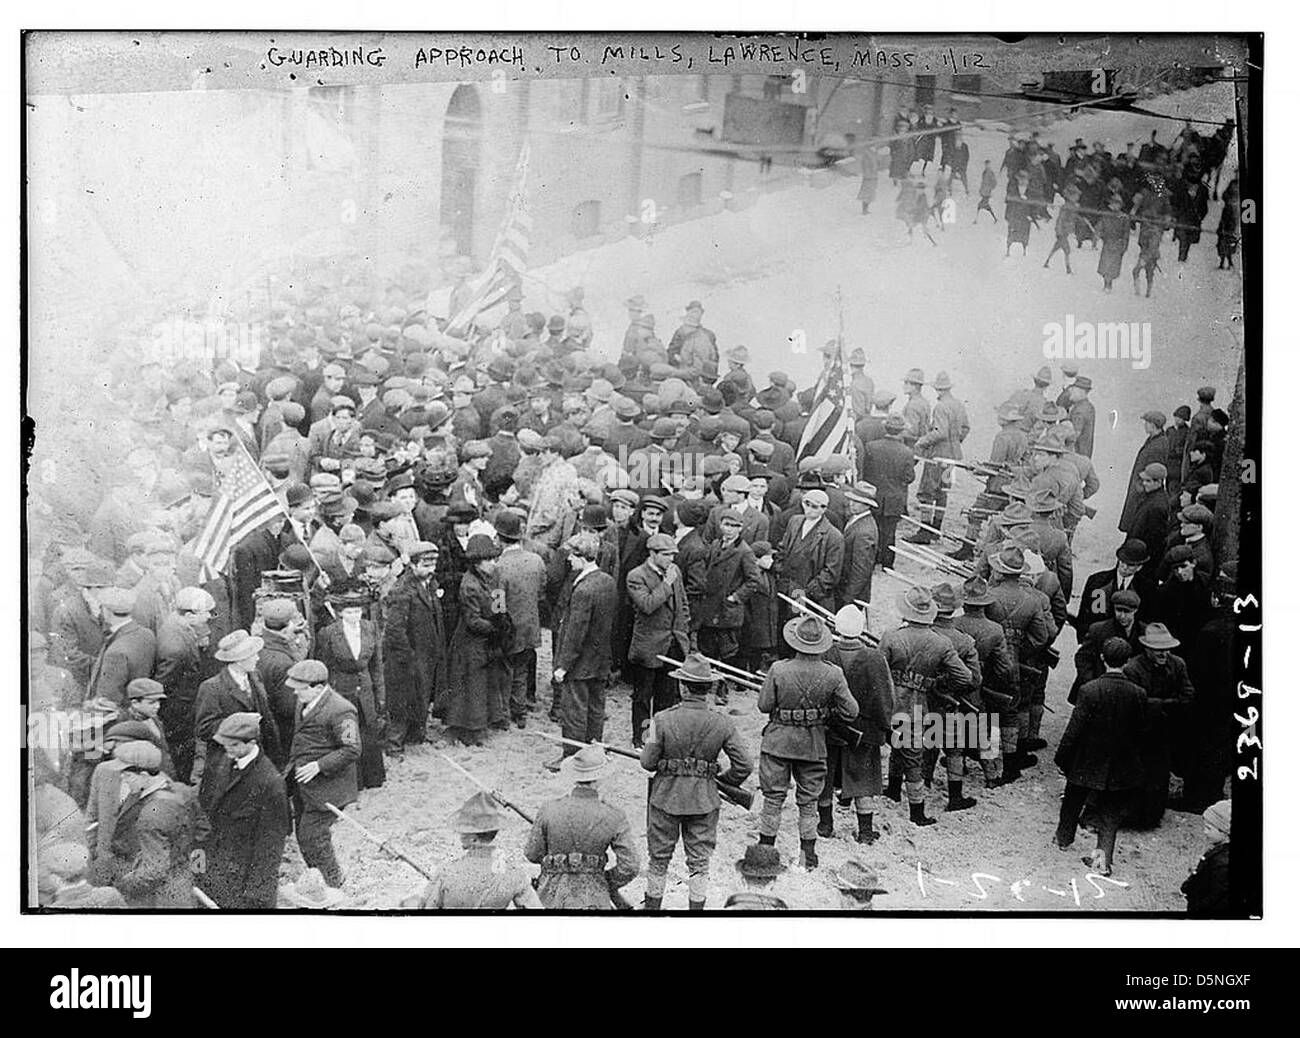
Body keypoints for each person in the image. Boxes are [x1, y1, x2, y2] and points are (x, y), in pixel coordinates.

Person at [639, 654, 753, 910]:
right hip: (704, 799)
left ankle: (651, 912)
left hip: (665, 797)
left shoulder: (659, 719)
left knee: (658, 861)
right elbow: (745, 763)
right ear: (709, 687)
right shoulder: (722, 721)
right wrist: (721, 780)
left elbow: (646, 762)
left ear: (682, 686)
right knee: (700, 863)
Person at [755, 615, 858, 867]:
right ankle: (807, 855)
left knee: (773, 798)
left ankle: (766, 851)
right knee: (809, 801)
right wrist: (826, 712)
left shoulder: (778, 669)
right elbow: (852, 711)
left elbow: (763, 705)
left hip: (778, 742)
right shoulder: (833, 674)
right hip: (812, 744)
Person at [1054, 637, 1147, 877]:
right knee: (1109, 814)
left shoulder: (1089, 690)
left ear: (1102, 659)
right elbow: (1140, 732)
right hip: (1119, 763)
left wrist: (1062, 758)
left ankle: (1063, 839)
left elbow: (1074, 730)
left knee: (1072, 801)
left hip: (1086, 761)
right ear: (1127, 662)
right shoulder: (1138, 693)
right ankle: (1102, 860)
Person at [523, 745, 640, 910]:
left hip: (550, 897)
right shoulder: (615, 815)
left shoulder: (549, 809)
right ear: (600, 779)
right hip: (594, 898)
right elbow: (630, 866)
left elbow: (532, 854)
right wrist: (604, 880)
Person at [197, 711, 291, 910]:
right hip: (216, 868)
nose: (226, 749)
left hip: (245, 881)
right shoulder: (226, 760)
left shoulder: (270, 783)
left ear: (251, 743)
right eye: (224, 744)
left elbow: (271, 844)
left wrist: (257, 894)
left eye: (233, 745)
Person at [818, 605, 894, 843]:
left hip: (830, 727)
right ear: (861, 629)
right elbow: (884, 697)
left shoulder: (826, 654)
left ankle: (825, 825)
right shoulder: (874, 657)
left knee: (826, 778)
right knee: (863, 780)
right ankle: (865, 831)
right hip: (864, 729)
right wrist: (884, 727)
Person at [284, 658, 361, 889]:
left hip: (329, 787)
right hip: (305, 784)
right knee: (305, 836)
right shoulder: (305, 702)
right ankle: (318, 880)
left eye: (300, 690)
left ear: (318, 687)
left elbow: (352, 748)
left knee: (313, 836)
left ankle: (333, 882)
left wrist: (319, 765)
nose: (296, 694)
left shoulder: (343, 711)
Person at [401, 792, 543, 910]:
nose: (460, 835)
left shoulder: (446, 871)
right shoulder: (514, 873)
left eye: (464, 832)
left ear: (474, 839)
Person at [548, 531, 617, 770]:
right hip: (600, 659)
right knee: (596, 707)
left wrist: (562, 666)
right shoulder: (607, 581)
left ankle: (572, 756)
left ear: (581, 556)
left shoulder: (583, 590)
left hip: (579, 662)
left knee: (574, 710)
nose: (568, 560)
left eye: (572, 556)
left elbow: (575, 633)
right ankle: (593, 750)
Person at [106, 741, 202, 909]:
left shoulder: (152, 813)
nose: (123, 779)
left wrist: (123, 885)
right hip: (181, 886)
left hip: (156, 900)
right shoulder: (182, 791)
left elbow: (153, 872)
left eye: (127, 775)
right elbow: (202, 831)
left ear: (144, 775)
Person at [1123, 623, 1195, 828]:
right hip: (1140, 732)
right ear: (1146, 648)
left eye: (1167, 648)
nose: (1164, 653)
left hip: (1165, 731)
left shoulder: (1178, 664)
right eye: (1158, 649)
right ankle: (1134, 817)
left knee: (1160, 774)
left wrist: (1156, 704)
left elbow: (1189, 696)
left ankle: (1153, 817)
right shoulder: (1133, 668)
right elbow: (1136, 703)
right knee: (1137, 774)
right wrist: (1170, 703)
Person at [443, 534, 512, 745]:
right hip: (470, 642)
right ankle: (472, 729)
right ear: (477, 562)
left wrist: (502, 621)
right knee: (473, 685)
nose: (493, 563)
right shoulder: (469, 585)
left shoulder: (495, 576)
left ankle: (490, 720)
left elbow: (499, 601)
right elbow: (472, 621)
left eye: (494, 559)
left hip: (489, 638)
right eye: (488, 560)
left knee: (490, 681)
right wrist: (494, 628)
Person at [316, 590, 387, 790]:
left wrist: (380, 695)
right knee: (348, 734)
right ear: (340, 613)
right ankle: (353, 782)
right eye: (349, 613)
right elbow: (325, 667)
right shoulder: (328, 633)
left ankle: (373, 778)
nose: (354, 616)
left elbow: (377, 666)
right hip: (342, 689)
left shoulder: (370, 628)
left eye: (357, 612)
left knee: (369, 731)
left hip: (365, 689)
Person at [625, 532, 691, 747]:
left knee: (668, 697)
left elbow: (682, 604)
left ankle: (660, 739)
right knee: (643, 697)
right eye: (666, 555)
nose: (671, 559)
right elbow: (647, 605)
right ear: (652, 554)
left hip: (673, 644)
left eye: (673, 555)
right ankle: (643, 739)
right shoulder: (636, 576)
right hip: (648, 647)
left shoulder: (674, 572)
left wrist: (683, 632)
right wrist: (666, 584)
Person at [193, 629, 283, 783]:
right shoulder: (212, 687)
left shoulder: (255, 676)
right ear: (240, 660)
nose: (257, 658)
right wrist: (240, 721)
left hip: (257, 756)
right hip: (229, 762)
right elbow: (204, 728)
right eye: (252, 655)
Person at [382, 541, 446, 754]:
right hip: (406, 657)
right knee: (401, 700)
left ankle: (416, 736)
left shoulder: (429, 584)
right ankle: (395, 744)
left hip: (425, 653)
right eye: (426, 566)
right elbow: (394, 629)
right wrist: (407, 656)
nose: (431, 570)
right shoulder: (402, 590)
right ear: (413, 565)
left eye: (433, 565)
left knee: (421, 696)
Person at [494, 510, 546, 728]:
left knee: (505, 670)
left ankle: (505, 713)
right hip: (531, 625)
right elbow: (542, 591)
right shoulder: (536, 560)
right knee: (523, 670)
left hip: (509, 627)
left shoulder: (499, 567)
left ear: (498, 538)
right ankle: (520, 711)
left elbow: (497, 604)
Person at [861, 415, 915, 568]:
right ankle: (887, 562)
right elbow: (909, 477)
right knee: (890, 532)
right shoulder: (907, 452)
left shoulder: (871, 446)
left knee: (873, 529)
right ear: (901, 431)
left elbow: (866, 471)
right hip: (894, 499)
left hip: (875, 496)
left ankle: (872, 560)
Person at [1182, 799, 1232, 917]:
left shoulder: (1223, 864)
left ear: (1225, 832)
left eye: (1209, 828)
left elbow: (1215, 896)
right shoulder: (1220, 852)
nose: (1204, 832)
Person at [41, 843, 128, 909]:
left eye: (48, 872)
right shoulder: (110, 895)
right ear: (86, 869)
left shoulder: (51, 910)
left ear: (55, 878)